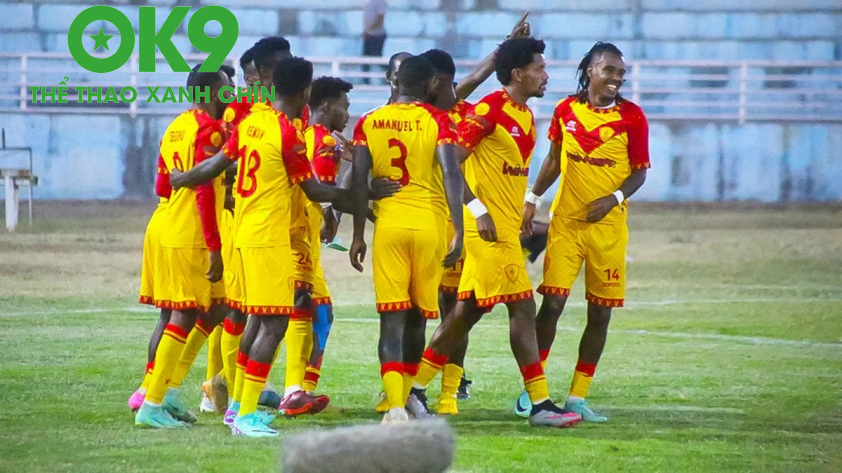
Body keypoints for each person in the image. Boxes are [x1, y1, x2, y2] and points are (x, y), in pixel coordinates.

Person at [171, 57, 351, 437]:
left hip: (243, 234)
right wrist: (362, 197)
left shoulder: (252, 123)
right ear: (305, 92)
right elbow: (313, 190)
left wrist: (182, 178)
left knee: (256, 319)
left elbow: (216, 165)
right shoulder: (287, 133)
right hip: (269, 238)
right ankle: (247, 414)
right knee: (273, 323)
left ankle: (239, 406)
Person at [406, 37, 581, 429]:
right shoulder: (490, 110)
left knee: (466, 313)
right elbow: (448, 162)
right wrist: (477, 209)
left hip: (505, 228)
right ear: (517, 74)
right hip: (486, 232)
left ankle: (414, 388)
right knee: (522, 306)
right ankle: (540, 404)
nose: (546, 75)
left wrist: (523, 208)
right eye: (539, 68)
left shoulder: (523, 114)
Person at [518, 42, 650, 423]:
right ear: (590, 71)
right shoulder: (566, 110)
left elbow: (639, 172)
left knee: (600, 314)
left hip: (608, 230)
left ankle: (577, 396)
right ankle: (533, 390)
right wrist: (532, 198)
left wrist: (613, 198)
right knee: (552, 306)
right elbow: (554, 159)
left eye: (621, 73)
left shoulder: (633, 117)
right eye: (609, 70)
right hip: (567, 225)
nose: (616, 78)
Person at [349, 55, 465, 424]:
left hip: (389, 227)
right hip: (428, 226)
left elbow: (358, 183)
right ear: (431, 84)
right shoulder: (438, 120)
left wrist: (357, 235)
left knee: (391, 320)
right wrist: (459, 230)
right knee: (418, 319)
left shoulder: (368, 121)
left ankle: (396, 405)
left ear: (396, 82)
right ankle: (410, 397)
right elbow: (451, 173)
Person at [134, 63, 231, 429]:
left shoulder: (176, 126)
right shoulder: (209, 130)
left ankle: (167, 390)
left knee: (218, 306)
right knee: (183, 314)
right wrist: (215, 247)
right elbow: (203, 190)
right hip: (189, 232)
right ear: (213, 92)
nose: (232, 94)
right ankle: (153, 402)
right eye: (227, 88)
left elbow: (162, 185)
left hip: (165, 222)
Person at [301, 77, 354, 396]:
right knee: (319, 313)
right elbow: (322, 190)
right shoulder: (325, 142)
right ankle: (301, 389)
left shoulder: (304, 134)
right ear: (326, 106)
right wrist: (330, 218)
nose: (348, 114)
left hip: (297, 235)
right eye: (344, 107)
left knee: (287, 316)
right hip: (304, 239)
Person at [361, 0, 388, 84]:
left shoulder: (380, 2)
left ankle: (390, 75)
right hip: (370, 34)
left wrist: (369, 30)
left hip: (376, 35)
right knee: (366, 59)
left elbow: (380, 18)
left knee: (377, 58)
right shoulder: (370, 2)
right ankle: (365, 80)